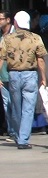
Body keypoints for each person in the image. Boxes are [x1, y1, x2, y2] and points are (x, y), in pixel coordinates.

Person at [0, 11, 47, 149]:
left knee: (15, 106)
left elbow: (1, 58)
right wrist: (43, 78)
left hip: (13, 75)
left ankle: (17, 133)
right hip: (30, 75)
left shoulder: (7, 39)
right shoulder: (36, 38)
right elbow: (41, 59)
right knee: (28, 108)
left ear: (15, 22)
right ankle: (23, 139)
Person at [0, 9, 13, 140]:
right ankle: (12, 130)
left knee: (15, 103)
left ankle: (18, 130)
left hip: (15, 74)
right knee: (6, 104)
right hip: (2, 75)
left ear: (8, 20)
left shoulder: (15, 34)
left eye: (1, 19)